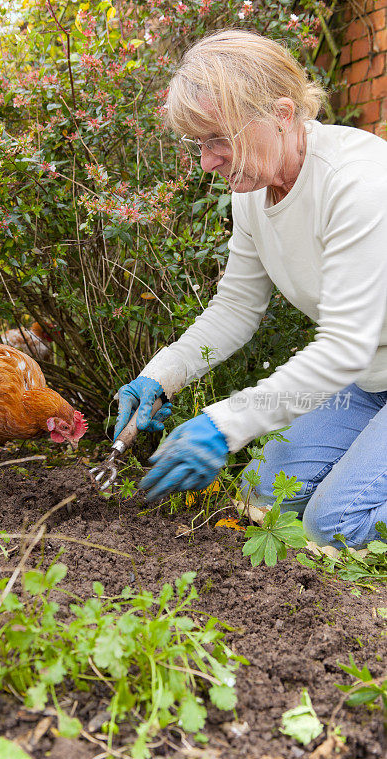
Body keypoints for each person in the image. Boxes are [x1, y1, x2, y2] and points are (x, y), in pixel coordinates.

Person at [113, 29, 387, 551]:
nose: (207, 161)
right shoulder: (253, 191)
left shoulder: (359, 183)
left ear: (283, 113)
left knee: (334, 526)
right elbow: (236, 308)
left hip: (359, 359)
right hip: (371, 378)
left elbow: (346, 344)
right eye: (200, 144)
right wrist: (160, 376)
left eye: (220, 139)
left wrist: (223, 425)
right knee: (263, 494)